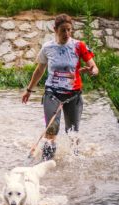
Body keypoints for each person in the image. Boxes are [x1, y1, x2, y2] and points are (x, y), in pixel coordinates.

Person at [22, 13, 99, 160]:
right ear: (55, 29)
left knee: (73, 132)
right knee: (51, 129)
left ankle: (75, 163)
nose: (67, 33)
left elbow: (94, 67)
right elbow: (39, 70)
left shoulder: (79, 46)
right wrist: (29, 90)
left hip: (73, 95)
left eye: (69, 30)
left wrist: (92, 71)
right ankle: (46, 163)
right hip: (52, 93)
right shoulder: (48, 47)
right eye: (63, 30)